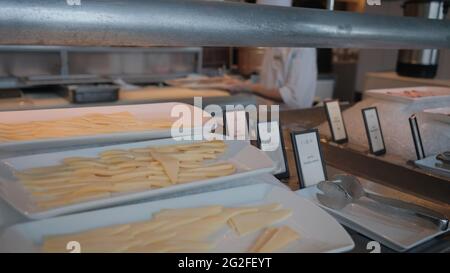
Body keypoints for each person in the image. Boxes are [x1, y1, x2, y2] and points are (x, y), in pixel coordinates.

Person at [228, 0, 318, 109]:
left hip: (290, 120)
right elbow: (268, 83)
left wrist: (248, 87)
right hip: (267, 118)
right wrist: (242, 84)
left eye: (263, 17)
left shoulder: (302, 45)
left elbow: (294, 98)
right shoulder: (274, 41)